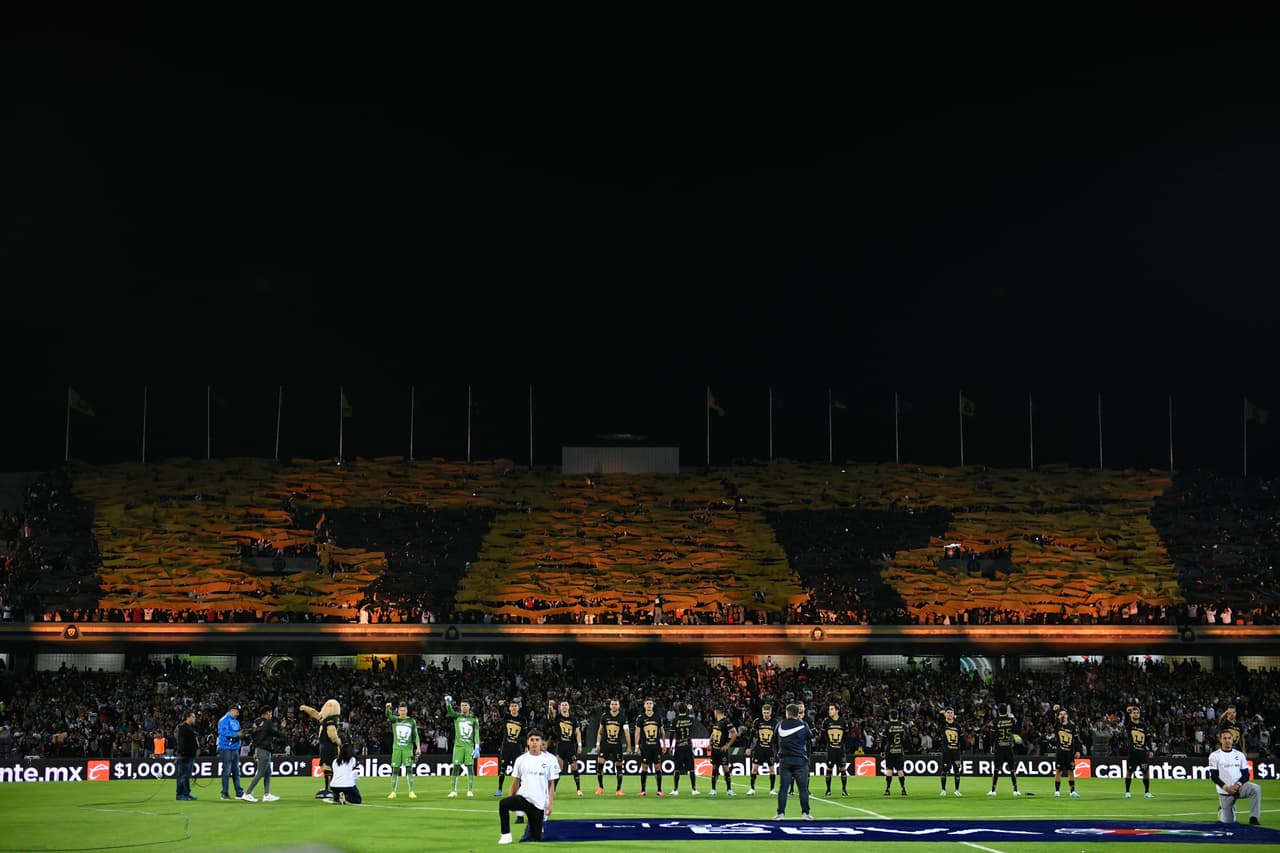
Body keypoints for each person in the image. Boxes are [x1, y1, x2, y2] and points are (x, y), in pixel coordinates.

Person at [498, 730, 559, 845]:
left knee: (537, 838)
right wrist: (510, 797)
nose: (534, 742)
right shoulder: (521, 760)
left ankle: (538, 828)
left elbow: (551, 784)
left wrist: (550, 804)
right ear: (527, 742)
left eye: (537, 740)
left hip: (538, 804)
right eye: (532, 740)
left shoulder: (549, 760)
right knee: (503, 804)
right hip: (523, 798)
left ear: (541, 742)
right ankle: (506, 835)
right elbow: (515, 782)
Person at [1208, 730, 1261, 825]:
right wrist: (1226, 787)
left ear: (1233, 740)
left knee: (1256, 789)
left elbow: (1246, 774)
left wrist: (1238, 785)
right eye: (1224, 738)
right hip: (1225, 791)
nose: (1227, 740)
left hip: (1239, 788)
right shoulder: (1214, 756)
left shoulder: (1239, 755)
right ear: (1220, 740)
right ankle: (1222, 810)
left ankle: (1254, 818)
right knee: (1228, 823)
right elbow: (1214, 776)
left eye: (1229, 738)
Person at [773, 702, 814, 820]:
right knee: (803, 789)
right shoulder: (803, 725)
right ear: (797, 713)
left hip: (785, 760)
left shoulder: (780, 725)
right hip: (800, 760)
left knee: (783, 788)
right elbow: (810, 736)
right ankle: (805, 814)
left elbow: (774, 740)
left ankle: (780, 814)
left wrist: (777, 754)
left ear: (787, 713)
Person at [299, 699, 343, 800]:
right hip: (325, 747)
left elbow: (332, 734)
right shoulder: (326, 719)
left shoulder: (331, 721)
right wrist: (306, 708)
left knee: (328, 767)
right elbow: (315, 713)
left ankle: (330, 788)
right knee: (326, 767)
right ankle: (329, 787)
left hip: (329, 747)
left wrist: (338, 741)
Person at [243, 706, 282, 802]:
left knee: (268, 772)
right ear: (267, 713)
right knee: (260, 773)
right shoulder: (268, 723)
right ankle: (247, 793)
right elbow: (275, 733)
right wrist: (282, 728)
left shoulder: (256, 722)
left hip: (259, 749)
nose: (271, 715)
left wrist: (255, 750)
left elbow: (254, 736)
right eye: (271, 713)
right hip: (265, 750)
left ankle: (266, 794)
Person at [445, 694, 480, 798]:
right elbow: (450, 712)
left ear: (469, 707)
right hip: (458, 746)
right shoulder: (457, 716)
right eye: (462, 705)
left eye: (465, 705)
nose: (463, 707)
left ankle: (470, 790)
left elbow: (476, 733)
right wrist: (448, 704)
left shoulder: (474, 718)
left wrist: (477, 746)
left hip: (469, 746)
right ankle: (453, 791)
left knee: (470, 767)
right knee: (455, 767)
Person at [594, 697, 630, 796]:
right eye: (612, 704)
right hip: (605, 744)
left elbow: (627, 732)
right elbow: (600, 731)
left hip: (617, 745)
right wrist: (598, 744)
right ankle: (600, 787)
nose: (614, 706)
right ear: (610, 706)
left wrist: (629, 746)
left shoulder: (622, 718)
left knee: (619, 767)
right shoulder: (605, 716)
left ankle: (618, 789)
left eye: (616, 704)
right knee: (600, 765)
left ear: (619, 706)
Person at [384, 701, 420, 799]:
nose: (402, 712)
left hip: (408, 750)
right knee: (395, 770)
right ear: (398, 711)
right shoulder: (395, 720)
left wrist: (418, 747)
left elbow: (415, 735)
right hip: (397, 750)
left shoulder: (411, 721)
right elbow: (388, 715)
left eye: (404, 710)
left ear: (407, 711)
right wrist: (387, 708)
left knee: (409, 769)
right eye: (401, 710)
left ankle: (411, 791)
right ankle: (393, 792)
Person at [548, 699, 584, 796]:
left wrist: (579, 745)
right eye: (562, 705)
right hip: (560, 745)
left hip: (571, 746)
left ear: (568, 707)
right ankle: (554, 790)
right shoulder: (558, 717)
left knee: (574, 767)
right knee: (558, 768)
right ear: (560, 707)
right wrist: (550, 706)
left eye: (565, 705)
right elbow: (551, 715)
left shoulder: (573, 719)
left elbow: (578, 732)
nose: (564, 706)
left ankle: (578, 789)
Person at [633, 697, 666, 796]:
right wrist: (637, 746)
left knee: (658, 767)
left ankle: (659, 790)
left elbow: (662, 732)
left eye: (650, 703)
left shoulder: (657, 717)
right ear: (644, 705)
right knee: (644, 768)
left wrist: (664, 744)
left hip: (656, 747)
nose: (649, 705)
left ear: (653, 705)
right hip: (645, 747)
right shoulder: (640, 718)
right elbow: (637, 733)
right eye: (647, 703)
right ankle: (643, 790)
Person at [988, 704, 1021, 796]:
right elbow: (1017, 730)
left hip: (999, 747)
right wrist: (1013, 718)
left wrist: (991, 745)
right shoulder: (1011, 720)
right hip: (1008, 747)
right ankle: (1015, 790)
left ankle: (993, 790)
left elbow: (992, 735)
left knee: (996, 769)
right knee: (1012, 769)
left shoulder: (995, 721)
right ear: (1006, 710)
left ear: (998, 711)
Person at [495, 699, 526, 797]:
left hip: (517, 747)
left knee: (519, 770)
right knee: (502, 769)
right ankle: (499, 789)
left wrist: (525, 746)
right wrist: (500, 706)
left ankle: (521, 790)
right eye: (512, 706)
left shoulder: (522, 719)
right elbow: (501, 714)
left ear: (518, 708)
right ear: (509, 708)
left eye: (515, 706)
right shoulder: (507, 717)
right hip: (506, 747)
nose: (513, 708)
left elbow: (524, 734)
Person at [1122, 705, 1154, 799]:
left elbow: (1148, 739)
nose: (1136, 714)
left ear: (1139, 714)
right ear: (1131, 715)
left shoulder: (1143, 726)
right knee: (1129, 772)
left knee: (1146, 772)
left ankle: (1147, 792)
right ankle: (1127, 792)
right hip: (1133, 753)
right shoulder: (1129, 725)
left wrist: (1150, 750)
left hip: (1142, 753)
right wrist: (1127, 712)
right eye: (1134, 713)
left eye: (1137, 713)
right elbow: (1125, 722)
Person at [746, 703, 777, 797]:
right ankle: (752, 788)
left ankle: (772, 789)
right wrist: (748, 747)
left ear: (770, 712)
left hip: (769, 749)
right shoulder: (757, 721)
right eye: (764, 712)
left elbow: (777, 738)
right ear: (762, 712)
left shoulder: (775, 722)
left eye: (767, 712)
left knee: (772, 769)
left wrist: (779, 749)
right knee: (754, 768)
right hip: (759, 748)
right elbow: (751, 735)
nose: (766, 714)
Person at [668, 702, 699, 796]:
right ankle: (694, 789)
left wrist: (670, 746)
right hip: (688, 746)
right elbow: (694, 717)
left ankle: (675, 790)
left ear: (678, 710)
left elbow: (671, 735)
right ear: (686, 710)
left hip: (679, 746)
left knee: (677, 769)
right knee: (691, 769)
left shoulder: (675, 720)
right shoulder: (690, 719)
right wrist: (691, 709)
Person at [217, 704, 246, 801]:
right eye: (237, 711)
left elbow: (238, 732)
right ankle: (224, 793)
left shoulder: (236, 721)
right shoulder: (224, 720)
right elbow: (223, 732)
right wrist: (236, 734)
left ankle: (239, 793)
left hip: (235, 748)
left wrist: (241, 734)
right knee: (226, 771)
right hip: (226, 748)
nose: (238, 714)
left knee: (236, 771)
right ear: (231, 710)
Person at [707, 706, 738, 796]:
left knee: (725, 769)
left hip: (722, 750)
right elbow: (713, 733)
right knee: (714, 768)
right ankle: (713, 789)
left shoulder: (726, 721)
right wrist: (710, 743)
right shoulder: (717, 722)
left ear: (716, 712)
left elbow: (734, 733)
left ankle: (729, 790)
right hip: (715, 749)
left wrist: (727, 745)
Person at [1052, 706, 1081, 798]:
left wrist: (1078, 751)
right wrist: (1056, 711)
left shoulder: (1072, 727)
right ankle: (1057, 791)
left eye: (1064, 714)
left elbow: (1076, 740)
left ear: (1067, 715)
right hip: (1060, 752)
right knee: (1058, 771)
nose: (1063, 715)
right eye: (1061, 714)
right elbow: (1052, 720)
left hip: (1070, 753)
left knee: (1070, 771)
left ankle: (1072, 791)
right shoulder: (1057, 725)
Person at [821, 702, 850, 797]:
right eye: (829, 709)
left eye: (832, 709)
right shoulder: (826, 722)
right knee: (829, 768)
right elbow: (822, 735)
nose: (829, 711)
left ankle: (844, 790)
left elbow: (846, 736)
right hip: (831, 750)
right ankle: (828, 790)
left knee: (843, 769)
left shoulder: (843, 722)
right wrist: (828, 744)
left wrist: (841, 745)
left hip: (840, 750)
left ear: (837, 711)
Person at [882, 708, 908, 796]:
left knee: (889, 769)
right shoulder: (903, 725)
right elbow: (907, 739)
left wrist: (882, 750)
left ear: (890, 716)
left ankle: (888, 789)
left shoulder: (887, 726)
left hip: (890, 750)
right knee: (900, 770)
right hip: (899, 750)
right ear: (898, 716)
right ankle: (903, 789)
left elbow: (883, 739)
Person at [175, 710, 199, 801]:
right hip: (185, 756)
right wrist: (182, 753)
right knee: (182, 775)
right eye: (193, 717)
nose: (194, 719)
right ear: (188, 717)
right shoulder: (183, 727)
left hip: (190, 755)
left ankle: (186, 793)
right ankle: (180, 794)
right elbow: (181, 742)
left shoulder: (190, 728)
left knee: (187, 776)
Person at [939, 707, 963, 797]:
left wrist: (962, 747)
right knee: (945, 770)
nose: (950, 714)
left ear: (953, 714)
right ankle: (943, 789)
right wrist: (940, 714)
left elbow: (961, 737)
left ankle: (957, 790)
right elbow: (939, 721)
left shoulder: (957, 725)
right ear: (945, 714)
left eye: (951, 712)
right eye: (948, 712)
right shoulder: (943, 724)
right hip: (947, 752)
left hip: (956, 752)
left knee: (957, 770)